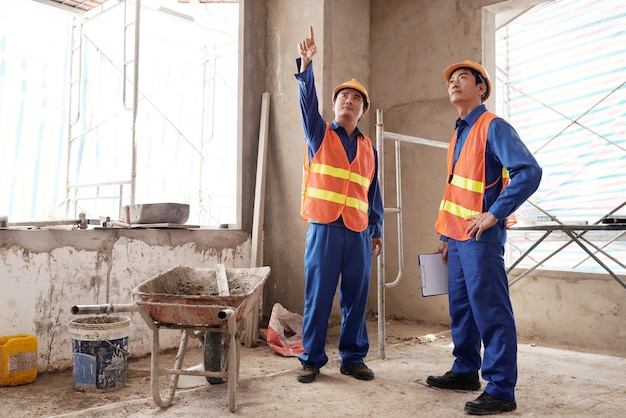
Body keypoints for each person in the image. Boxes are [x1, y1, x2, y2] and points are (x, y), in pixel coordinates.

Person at [426, 60, 542, 415]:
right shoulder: (458, 134)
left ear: (482, 89)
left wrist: (496, 213)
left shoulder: (493, 127)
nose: (455, 84)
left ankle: (501, 388)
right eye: (451, 80)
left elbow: (529, 171)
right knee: (461, 308)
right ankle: (465, 370)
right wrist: (446, 234)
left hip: (482, 236)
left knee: (490, 310)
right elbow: (454, 192)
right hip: (458, 237)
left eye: (463, 78)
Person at [294, 25, 384, 384]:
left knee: (356, 299)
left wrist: (376, 231)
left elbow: (372, 194)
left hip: (359, 233)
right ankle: (312, 359)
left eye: (356, 100)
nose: (349, 101)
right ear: (334, 106)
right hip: (325, 230)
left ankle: (352, 357)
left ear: (362, 111)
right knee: (318, 298)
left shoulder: (369, 149)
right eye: (344, 97)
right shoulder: (319, 133)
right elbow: (306, 104)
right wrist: (306, 66)